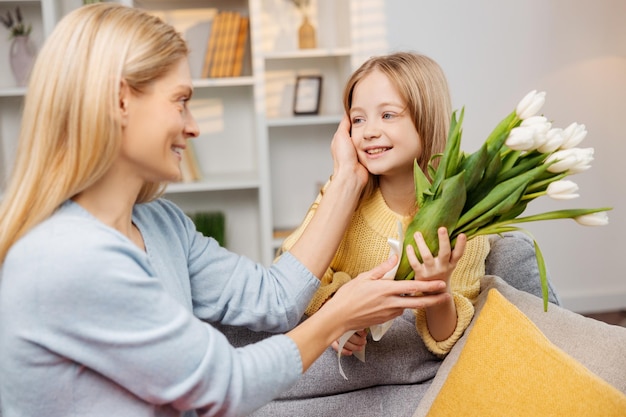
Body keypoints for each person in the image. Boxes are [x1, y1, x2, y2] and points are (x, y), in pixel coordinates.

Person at [0, 5, 454, 417]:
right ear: (121, 101)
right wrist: (340, 314)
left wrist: (350, 177)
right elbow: (225, 385)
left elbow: (275, 299)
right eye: (181, 101)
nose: (194, 126)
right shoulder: (69, 258)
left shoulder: (162, 226)